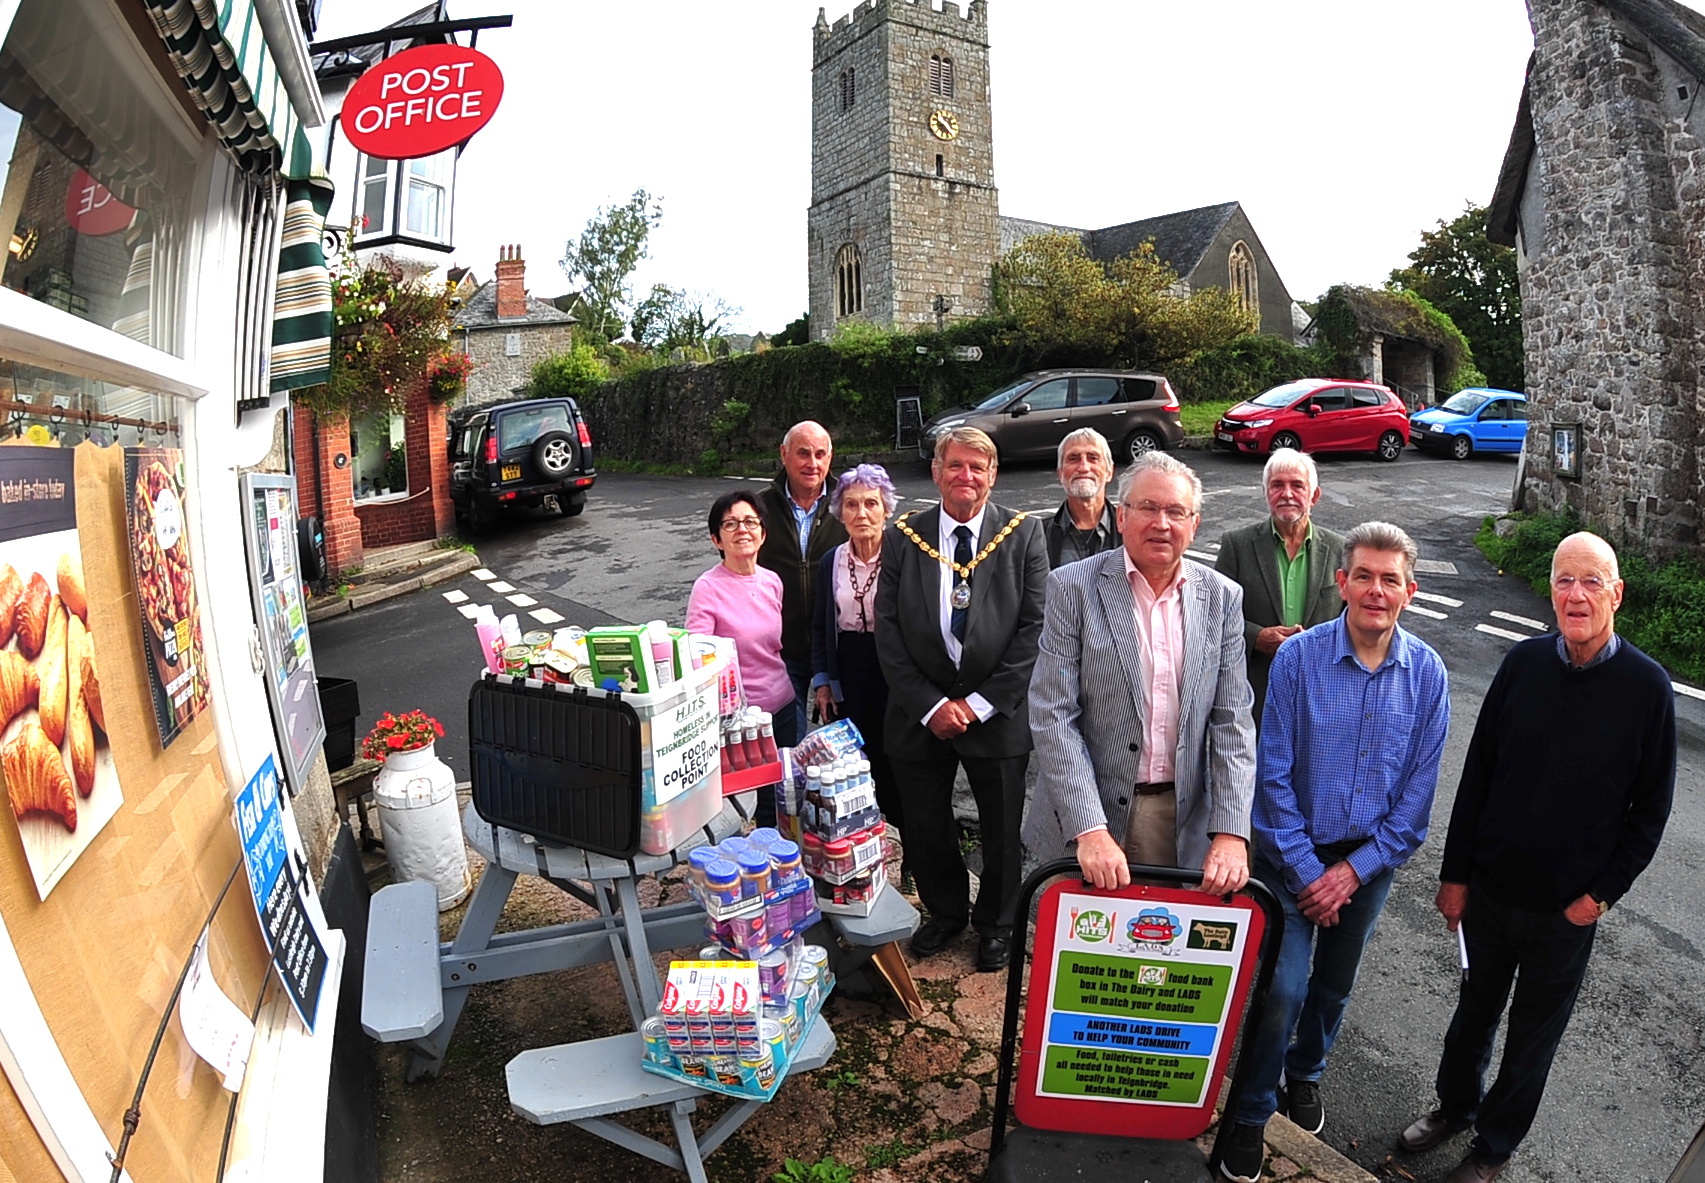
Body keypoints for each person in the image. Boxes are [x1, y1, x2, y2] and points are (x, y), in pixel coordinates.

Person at [1397, 532, 1675, 1183]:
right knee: (1471, 1018)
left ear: (1616, 593)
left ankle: (1491, 1147)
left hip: (1564, 913)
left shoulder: (1645, 688)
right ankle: (1454, 1107)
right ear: (1549, 589)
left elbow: (1650, 814)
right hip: (1489, 894)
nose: (1574, 594)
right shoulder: (1520, 664)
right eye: (1562, 580)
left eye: (1589, 581)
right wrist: (1454, 875)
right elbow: (1478, 774)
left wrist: (1597, 896)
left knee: (1529, 1042)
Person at [1218, 522, 1450, 1183]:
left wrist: (1349, 873)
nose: (1375, 590)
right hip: (1290, 856)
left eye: (1390, 578)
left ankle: (1306, 1071)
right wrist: (1309, 871)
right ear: (1340, 582)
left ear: (1409, 589)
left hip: (1368, 865)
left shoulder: (1427, 674)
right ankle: (1252, 1109)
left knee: (1332, 987)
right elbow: (1272, 776)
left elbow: (1414, 803)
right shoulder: (1296, 660)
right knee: (1281, 988)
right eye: (1363, 576)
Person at [1025, 450, 1256, 899]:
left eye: (1175, 511)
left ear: (1195, 523)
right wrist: (1088, 827)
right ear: (1122, 514)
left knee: (1167, 955)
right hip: (1090, 813)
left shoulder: (1223, 598)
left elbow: (1232, 721)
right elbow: (1052, 713)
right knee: (1085, 961)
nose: (1161, 523)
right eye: (1148, 508)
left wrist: (1230, 831)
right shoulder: (1072, 587)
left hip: (1182, 816)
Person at [875, 427, 1048, 972]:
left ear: (993, 475)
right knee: (927, 824)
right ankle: (945, 912)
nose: (965, 476)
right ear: (936, 471)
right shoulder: (904, 535)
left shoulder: (1023, 535)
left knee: (1001, 830)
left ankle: (996, 923)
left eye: (978, 467)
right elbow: (889, 630)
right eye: (955, 465)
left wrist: (976, 705)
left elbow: (1032, 630)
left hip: (995, 716)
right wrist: (931, 705)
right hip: (918, 714)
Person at [809, 464, 906, 885]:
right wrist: (824, 680)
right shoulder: (832, 560)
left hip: (897, 669)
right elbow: (819, 626)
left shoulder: (904, 553)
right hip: (851, 665)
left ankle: (916, 863)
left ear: (886, 509)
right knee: (859, 770)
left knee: (903, 766)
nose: (861, 512)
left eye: (871, 503)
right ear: (839, 512)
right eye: (851, 504)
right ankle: (867, 858)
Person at [686, 491, 797, 827]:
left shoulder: (772, 581)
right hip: (742, 721)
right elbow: (696, 654)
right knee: (754, 805)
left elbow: (775, 646)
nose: (742, 530)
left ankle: (784, 866)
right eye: (730, 524)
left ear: (763, 533)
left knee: (785, 795)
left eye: (750, 522)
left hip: (784, 706)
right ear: (716, 539)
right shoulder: (708, 588)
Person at [1215, 448, 1347, 722]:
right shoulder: (1236, 545)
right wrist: (1256, 638)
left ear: (1315, 496)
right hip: (1257, 691)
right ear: (1266, 493)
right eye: (1277, 485)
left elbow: (1351, 618)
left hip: (1322, 692)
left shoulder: (1341, 550)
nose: (1287, 494)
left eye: (1297, 485)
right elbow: (1215, 616)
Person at [756, 421, 848, 740]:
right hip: (782, 648)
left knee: (843, 749)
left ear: (830, 457)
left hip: (837, 647)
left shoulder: (848, 503)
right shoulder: (759, 508)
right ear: (784, 455)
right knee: (787, 748)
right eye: (803, 453)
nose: (813, 463)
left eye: (821, 454)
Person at [1043, 427, 1121, 568]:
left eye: (1093, 458)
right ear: (1060, 473)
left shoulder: (1130, 532)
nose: (1084, 467)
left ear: (1109, 472)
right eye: (1073, 459)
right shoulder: (1039, 537)